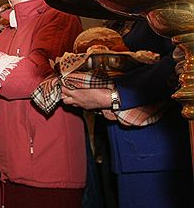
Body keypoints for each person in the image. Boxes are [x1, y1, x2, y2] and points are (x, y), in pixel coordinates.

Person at [0, 0, 85, 207]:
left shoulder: (59, 16)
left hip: (45, 163)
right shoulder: (7, 30)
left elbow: (35, 75)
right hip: (4, 166)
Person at [61, 20, 193, 208]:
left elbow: (179, 61)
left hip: (154, 153)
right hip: (115, 150)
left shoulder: (160, 15)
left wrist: (114, 96)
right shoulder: (117, 23)